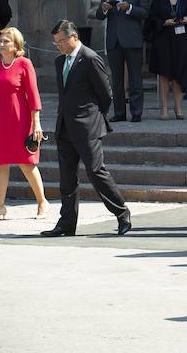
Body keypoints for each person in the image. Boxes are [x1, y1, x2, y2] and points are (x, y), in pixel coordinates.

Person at [41, 20, 132, 236]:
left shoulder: (90, 58)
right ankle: (67, 223)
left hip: (87, 126)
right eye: (56, 43)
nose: (59, 46)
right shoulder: (59, 61)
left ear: (74, 37)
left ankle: (122, 213)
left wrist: (93, 117)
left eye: (61, 41)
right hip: (64, 126)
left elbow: (105, 94)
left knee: (96, 172)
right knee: (67, 178)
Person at [0, 27, 47, 221]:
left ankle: (42, 201)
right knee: (0, 164)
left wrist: (37, 124)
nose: (2, 45)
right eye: (0, 41)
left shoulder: (24, 63)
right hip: (0, 120)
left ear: (16, 44)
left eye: (6, 41)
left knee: (27, 163)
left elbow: (33, 95)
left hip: (21, 119)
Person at [95, 0, 148, 122]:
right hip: (114, 40)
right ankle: (119, 112)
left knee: (135, 78)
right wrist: (103, 9)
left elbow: (145, 12)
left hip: (132, 39)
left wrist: (130, 8)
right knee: (116, 80)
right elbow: (98, 15)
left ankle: (136, 112)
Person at [148, 0, 187, 120]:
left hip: (180, 40)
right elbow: (151, 18)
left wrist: (186, 19)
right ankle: (164, 108)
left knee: (179, 74)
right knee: (165, 74)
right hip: (164, 40)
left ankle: (178, 107)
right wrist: (163, 22)